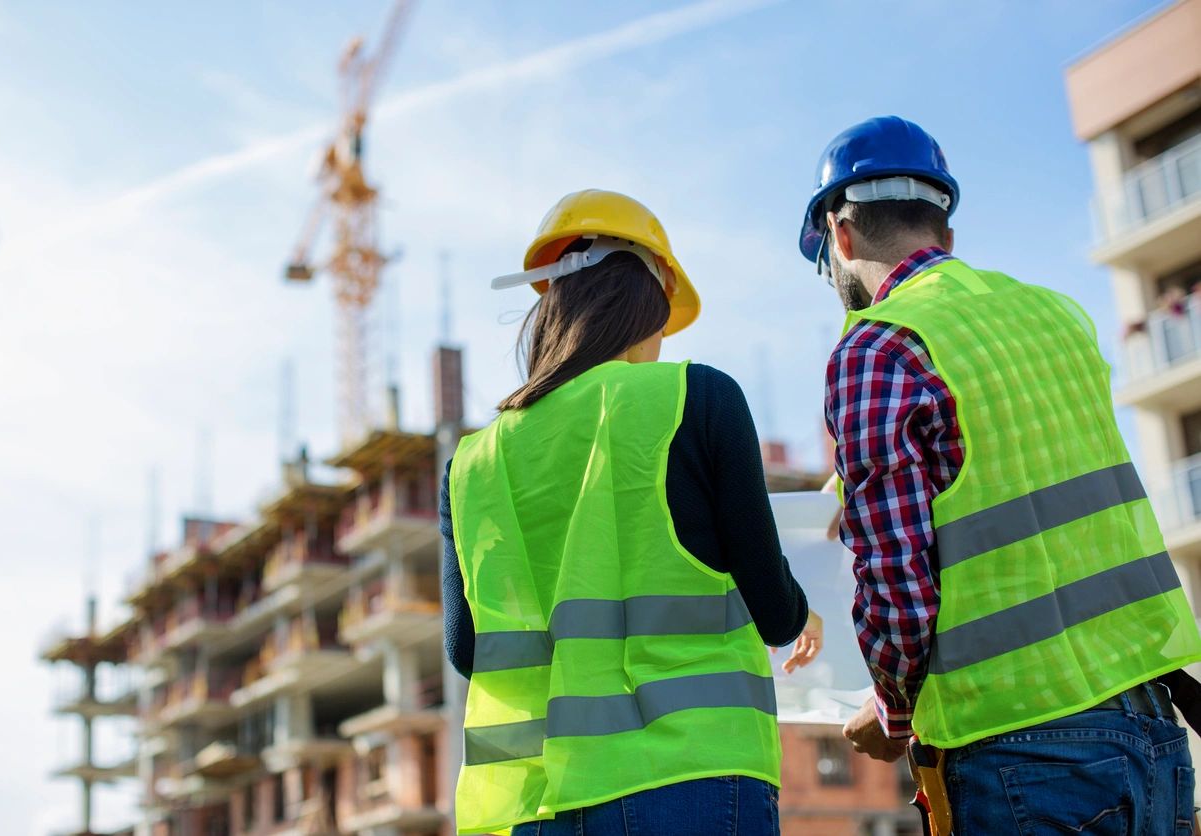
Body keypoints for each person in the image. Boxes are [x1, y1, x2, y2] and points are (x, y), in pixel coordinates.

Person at [800, 115, 1201, 834]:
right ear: (945, 232)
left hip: (1022, 745)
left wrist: (891, 710)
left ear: (840, 234)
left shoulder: (877, 345)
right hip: (1154, 723)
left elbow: (896, 580)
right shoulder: (1057, 315)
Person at [440, 189, 814, 836]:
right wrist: (804, 611)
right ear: (650, 302)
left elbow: (467, 650)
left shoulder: (472, 464)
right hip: (689, 779)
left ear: (552, 306)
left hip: (535, 804)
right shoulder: (697, 400)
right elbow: (773, 608)